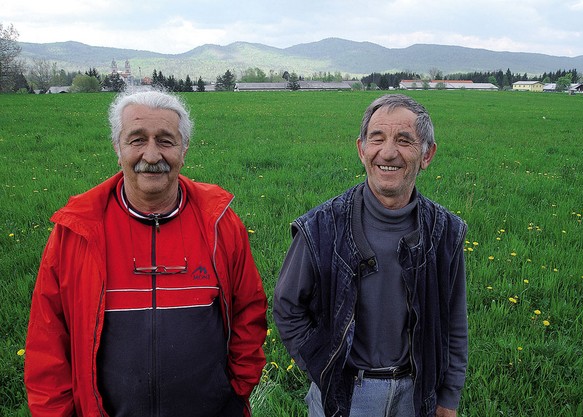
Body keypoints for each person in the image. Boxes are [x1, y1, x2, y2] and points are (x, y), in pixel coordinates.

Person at [24, 88, 268, 417]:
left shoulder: (220, 223)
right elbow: (47, 338)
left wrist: (237, 388)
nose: (151, 156)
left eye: (165, 140)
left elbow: (249, 311)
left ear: (184, 150)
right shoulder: (76, 232)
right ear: (117, 148)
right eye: (137, 139)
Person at [273, 94, 468, 417]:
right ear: (361, 149)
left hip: (416, 396)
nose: (388, 152)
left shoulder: (445, 232)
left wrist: (449, 396)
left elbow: (454, 321)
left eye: (404, 140)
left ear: (427, 154)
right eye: (377, 139)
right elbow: (286, 306)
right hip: (345, 395)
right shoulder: (321, 227)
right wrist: (324, 368)